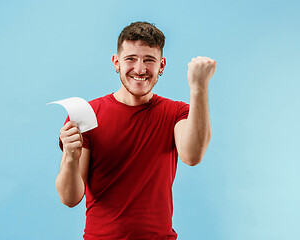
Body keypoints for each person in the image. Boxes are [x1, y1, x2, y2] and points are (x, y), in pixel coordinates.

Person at [55, 21, 216, 239]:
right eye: (131, 59)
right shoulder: (87, 114)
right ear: (116, 62)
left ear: (162, 65)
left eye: (149, 60)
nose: (139, 69)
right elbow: (69, 198)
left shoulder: (176, 112)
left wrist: (199, 87)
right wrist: (70, 158)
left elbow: (192, 155)